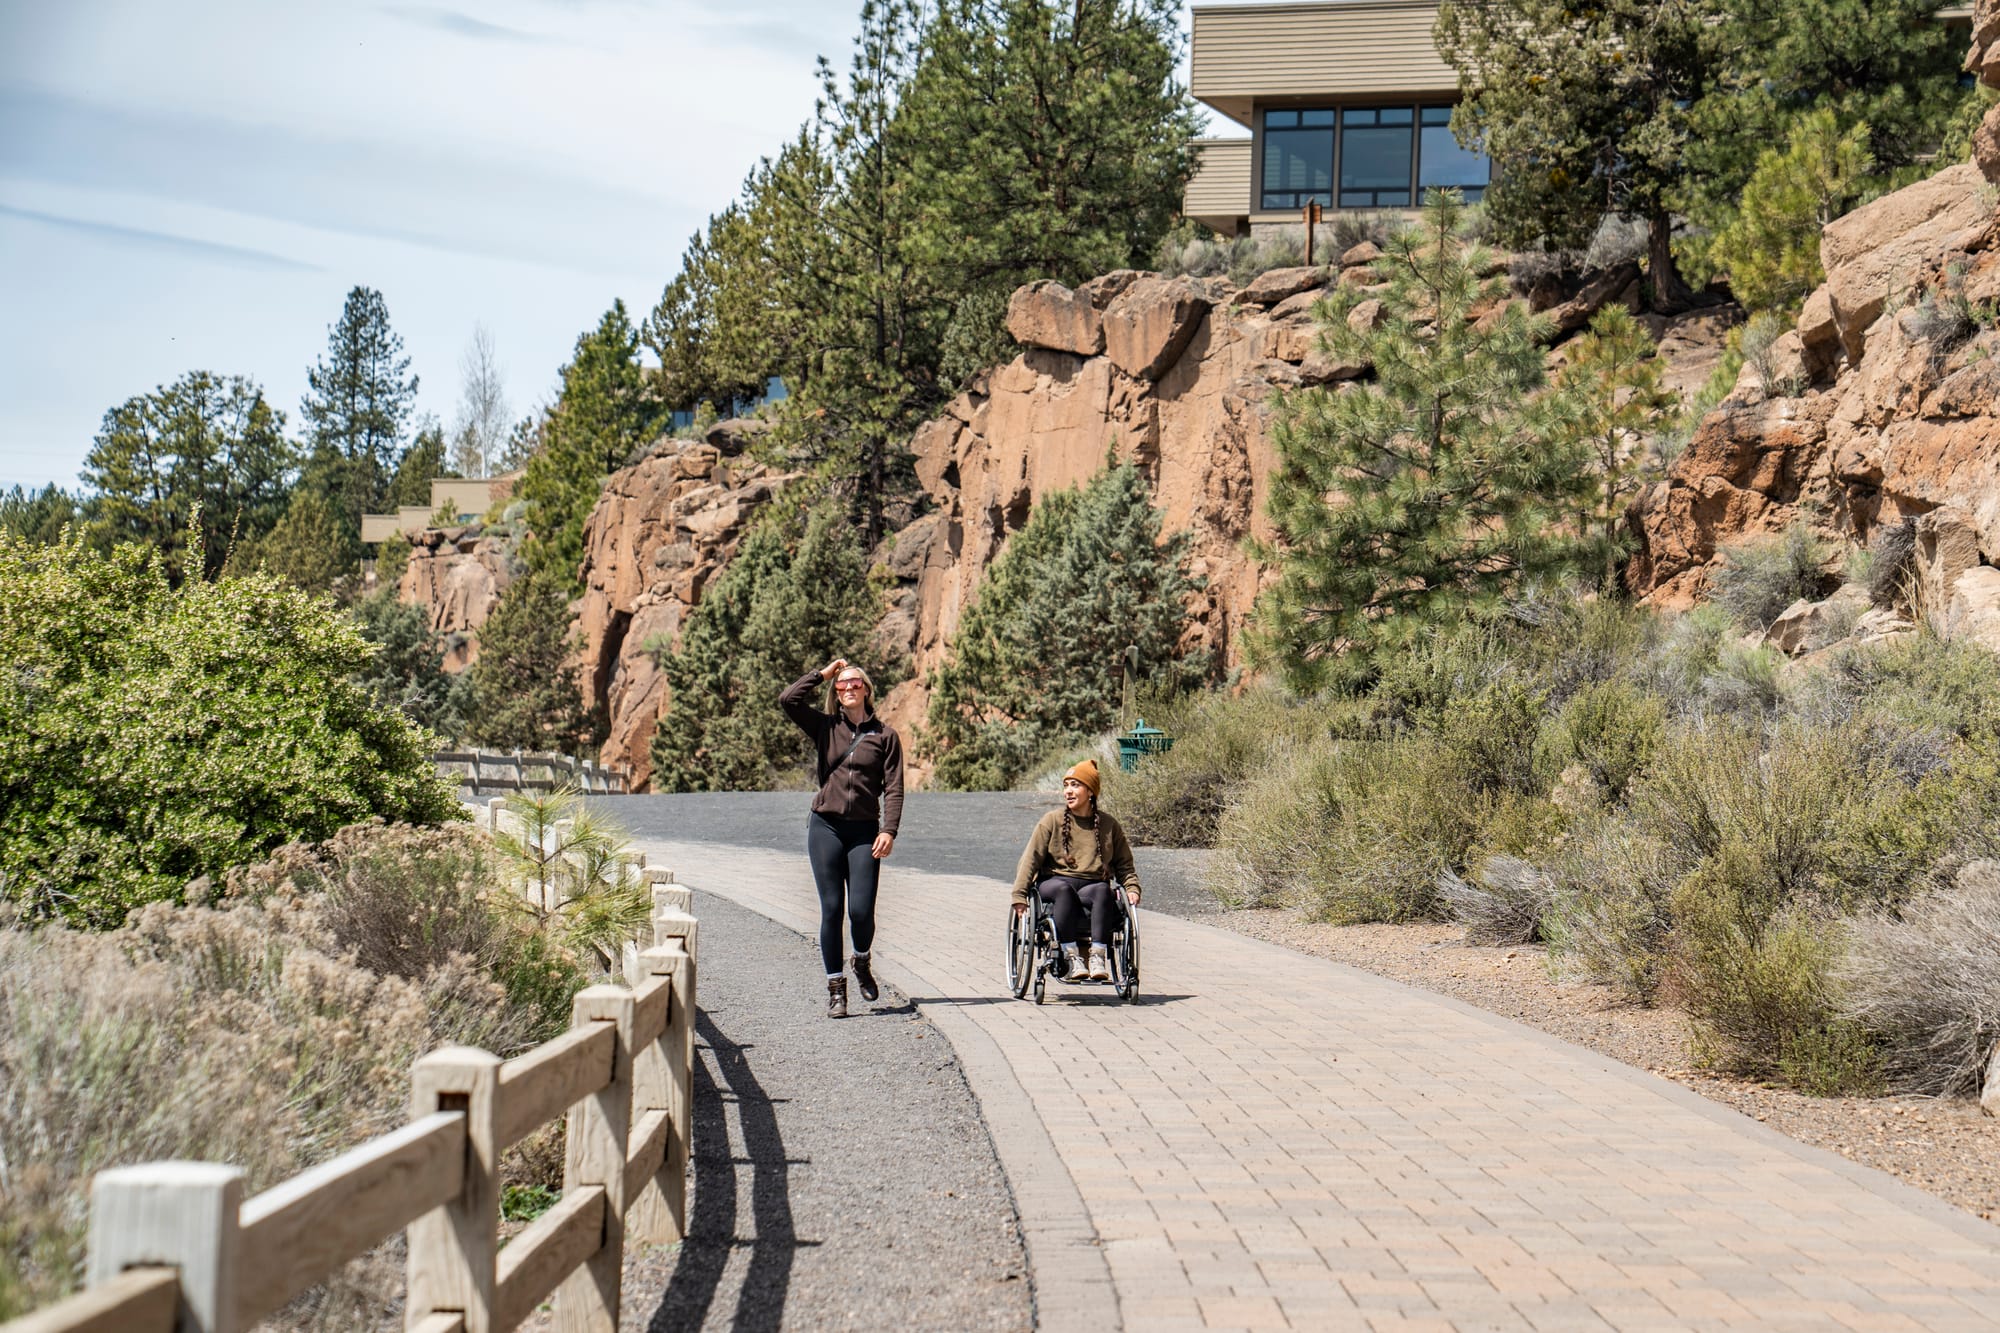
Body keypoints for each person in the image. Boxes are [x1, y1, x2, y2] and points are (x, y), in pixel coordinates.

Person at [780, 657, 904, 1018]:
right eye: (842, 684)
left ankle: (861, 960)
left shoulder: (885, 736)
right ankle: (836, 989)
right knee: (832, 909)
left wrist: (889, 830)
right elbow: (789, 699)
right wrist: (823, 673)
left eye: (854, 683)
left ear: (866, 689)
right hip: (826, 827)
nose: (848, 688)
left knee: (861, 911)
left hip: (865, 831)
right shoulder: (825, 727)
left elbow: (893, 790)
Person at [1010, 759, 1141, 982]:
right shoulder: (1051, 821)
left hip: (1092, 884)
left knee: (1103, 891)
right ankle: (1071, 958)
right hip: (1055, 882)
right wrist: (1019, 894)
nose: (1068, 792)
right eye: (1066, 785)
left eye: (1075, 785)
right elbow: (1030, 859)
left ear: (1090, 791)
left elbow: (1124, 864)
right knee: (1064, 890)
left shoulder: (1109, 826)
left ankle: (1097, 957)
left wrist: (1132, 887)